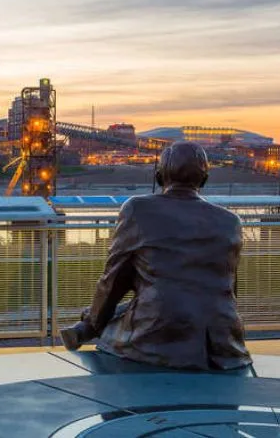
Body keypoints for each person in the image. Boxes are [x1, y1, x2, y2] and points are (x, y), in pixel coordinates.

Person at [60, 141, 252, 371]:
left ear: (159, 176)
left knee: (130, 312)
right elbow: (228, 287)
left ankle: (86, 328)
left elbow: (113, 281)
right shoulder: (231, 221)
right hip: (223, 339)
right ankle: (87, 324)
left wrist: (94, 321)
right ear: (204, 179)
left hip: (159, 334)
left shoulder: (138, 209)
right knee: (153, 294)